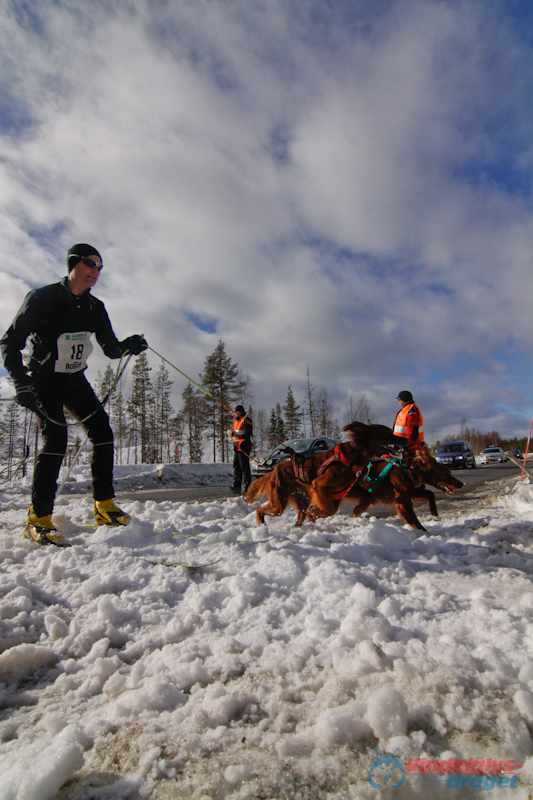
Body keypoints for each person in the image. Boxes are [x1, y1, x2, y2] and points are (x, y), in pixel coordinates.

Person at [0, 243, 148, 545]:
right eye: (91, 264)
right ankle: (38, 519)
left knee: (103, 433)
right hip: (43, 379)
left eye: (100, 267)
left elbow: (110, 349)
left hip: (73, 378)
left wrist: (128, 345)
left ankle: (104, 506)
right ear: (73, 264)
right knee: (56, 439)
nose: (96, 271)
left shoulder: (95, 308)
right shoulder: (42, 298)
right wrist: (20, 382)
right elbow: (9, 342)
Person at [230, 404, 253, 494]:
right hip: (237, 446)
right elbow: (234, 432)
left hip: (244, 445)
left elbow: (248, 432)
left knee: (244, 467)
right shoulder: (236, 421)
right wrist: (231, 433)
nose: (237, 413)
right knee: (237, 466)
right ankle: (237, 486)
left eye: (238, 412)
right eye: (236, 412)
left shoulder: (246, 420)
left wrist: (236, 434)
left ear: (242, 412)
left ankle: (247, 487)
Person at [393, 390, 424, 455]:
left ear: (403, 400)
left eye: (399, 399)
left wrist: (406, 445)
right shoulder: (405, 410)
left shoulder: (411, 411)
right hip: (404, 446)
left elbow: (412, 431)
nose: (398, 401)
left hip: (411, 449)